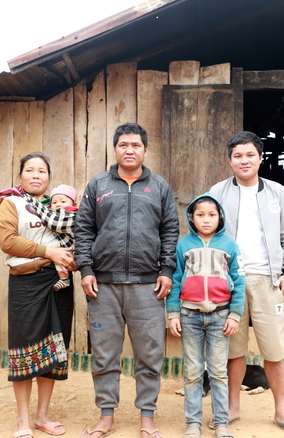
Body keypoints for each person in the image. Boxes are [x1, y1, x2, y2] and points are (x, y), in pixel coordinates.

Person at [74, 122, 180, 438]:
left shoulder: (159, 187)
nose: (129, 150)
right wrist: (86, 269)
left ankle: (147, 416)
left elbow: (170, 231)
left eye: (135, 145)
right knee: (105, 353)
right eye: (123, 145)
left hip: (147, 286)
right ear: (115, 148)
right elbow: (83, 229)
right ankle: (106, 415)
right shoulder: (98, 185)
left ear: (145, 150)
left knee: (149, 353)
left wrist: (166, 270)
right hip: (102, 286)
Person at [209, 131, 284, 436]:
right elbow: (207, 230)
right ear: (229, 160)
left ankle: (281, 411)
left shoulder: (277, 192)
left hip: (268, 281)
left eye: (250, 154)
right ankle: (233, 407)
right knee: (233, 349)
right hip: (230, 281)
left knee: (274, 349)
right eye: (237, 155)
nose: (244, 160)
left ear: (260, 158)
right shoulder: (218, 191)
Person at [0, 152, 77, 438]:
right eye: (30, 170)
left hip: (59, 282)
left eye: (42, 171)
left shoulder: (57, 207)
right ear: (21, 176)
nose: (36, 175)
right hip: (26, 283)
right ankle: (22, 419)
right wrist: (47, 252)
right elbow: (8, 242)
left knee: (54, 347)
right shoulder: (11, 203)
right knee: (25, 349)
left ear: (49, 177)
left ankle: (42, 416)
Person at [166, 193, 245, 438]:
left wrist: (234, 315)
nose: (206, 220)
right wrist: (173, 314)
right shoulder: (183, 245)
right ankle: (193, 423)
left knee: (219, 371)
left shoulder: (230, 245)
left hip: (220, 317)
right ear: (191, 217)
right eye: (200, 215)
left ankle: (221, 422)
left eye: (212, 215)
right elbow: (176, 280)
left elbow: (240, 282)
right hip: (189, 315)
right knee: (192, 371)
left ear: (220, 217)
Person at [47, 184, 79, 291]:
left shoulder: (72, 214)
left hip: (74, 247)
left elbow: (55, 225)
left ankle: (65, 278)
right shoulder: (52, 213)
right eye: (54, 202)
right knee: (59, 258)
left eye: (63, 201)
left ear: (73, 204)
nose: (58, 204)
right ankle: (64, 279)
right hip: (62, 248)